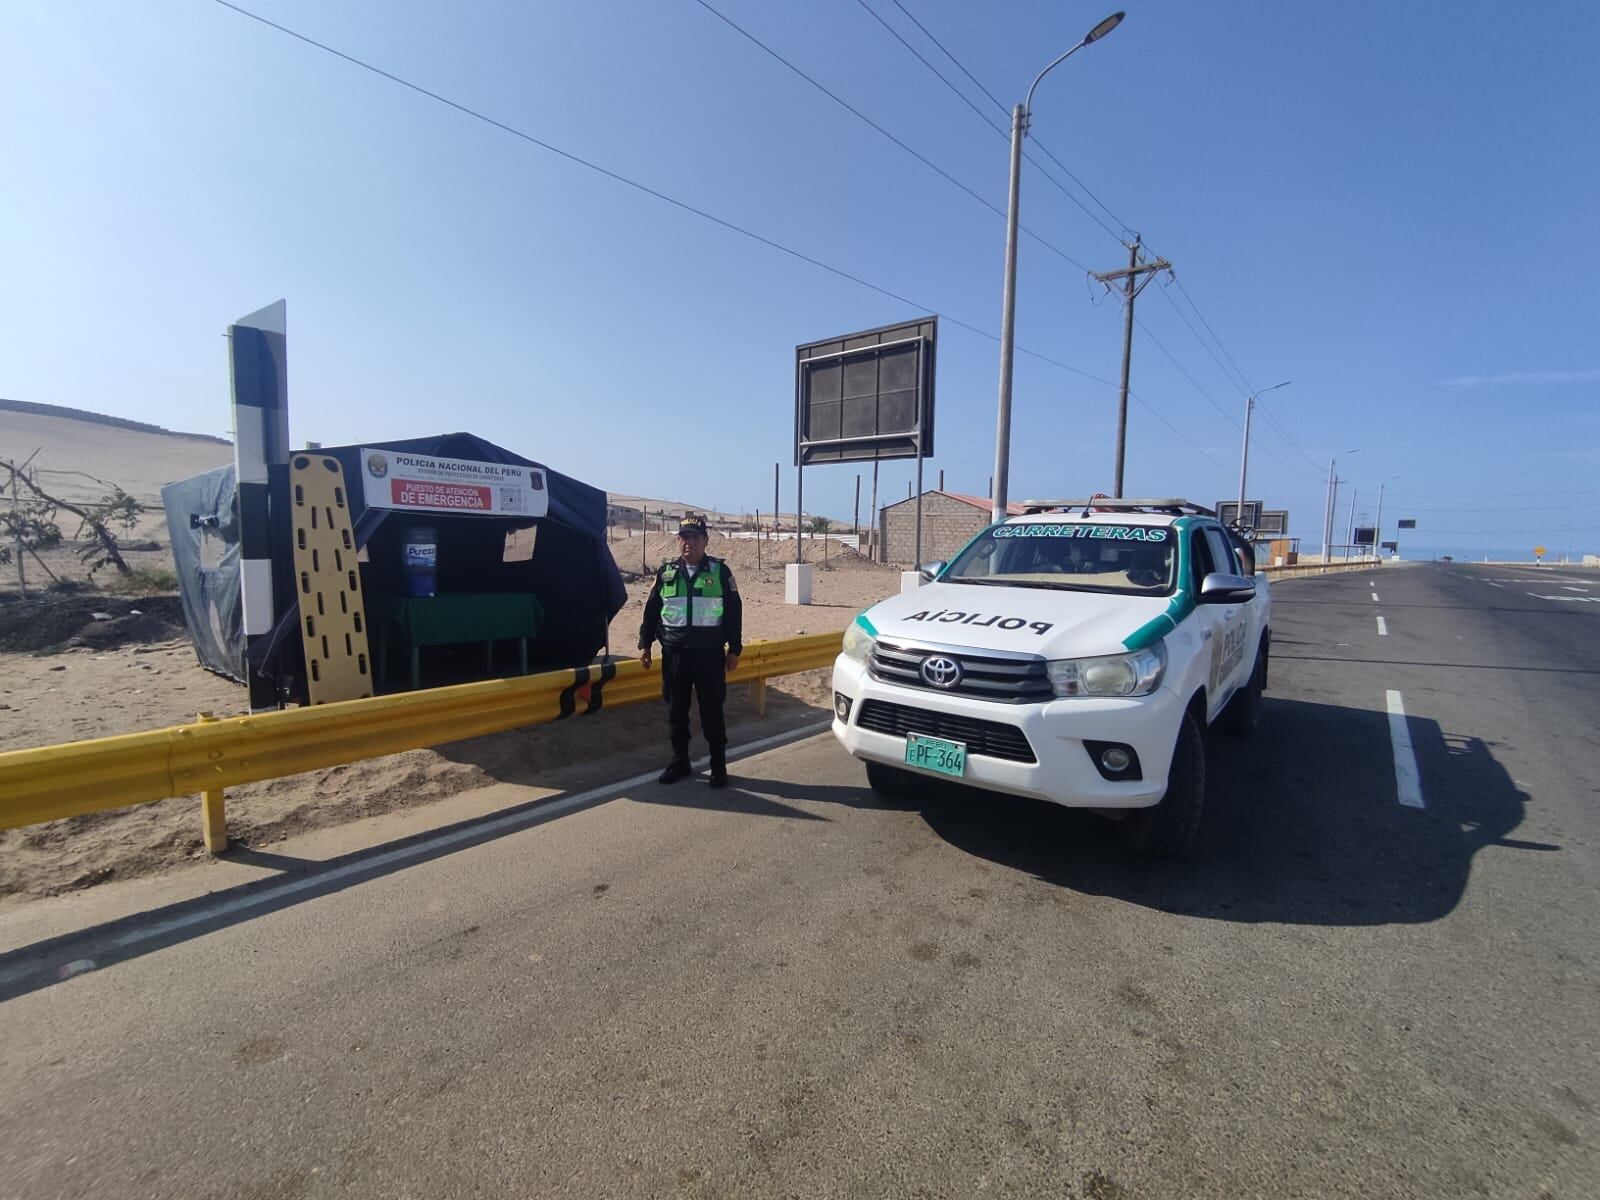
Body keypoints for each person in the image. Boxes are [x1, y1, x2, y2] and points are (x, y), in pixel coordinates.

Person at [638, 514, 743, 787]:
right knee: (676, 711)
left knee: (712, 712)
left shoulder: (720, 572)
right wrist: (645, 644)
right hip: (675, 654)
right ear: (678, 541)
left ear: (705, 541)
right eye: (685, 537)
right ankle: (679, 762)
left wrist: (735, 649)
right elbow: (652, 609)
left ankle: (718, 767)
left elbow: (734, 612)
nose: (689, 542)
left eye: (695, 537)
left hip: (709, 654)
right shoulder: (666, 572)